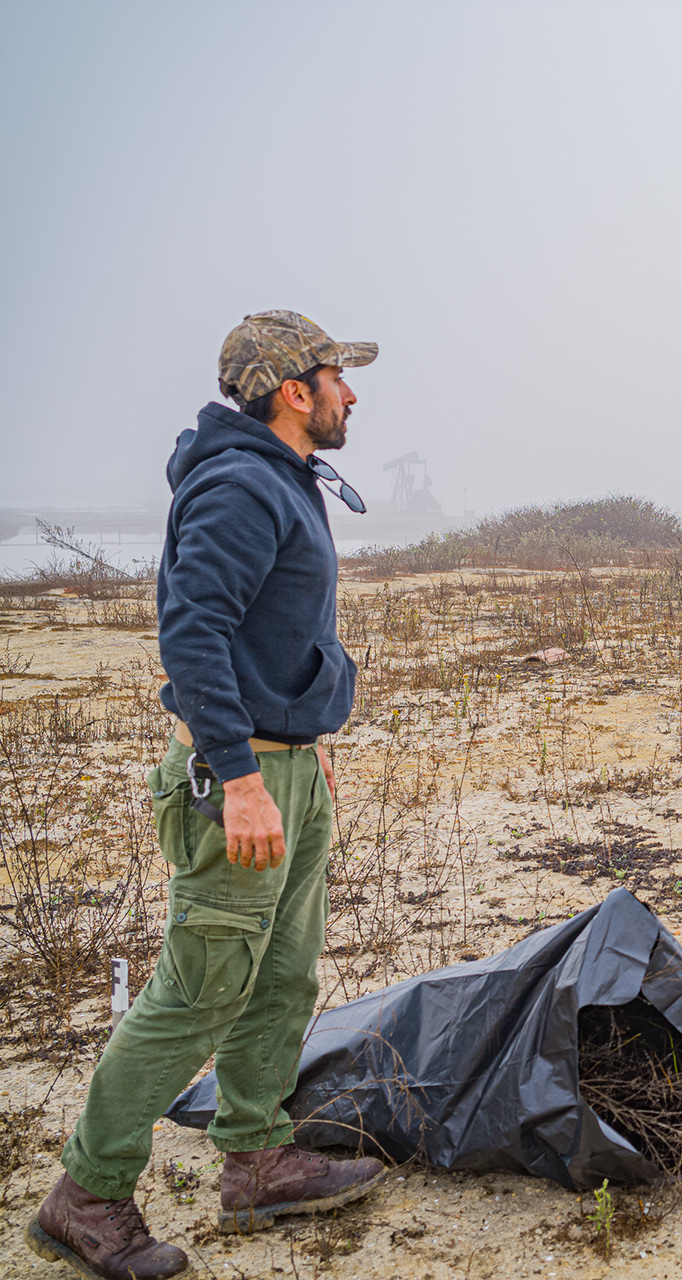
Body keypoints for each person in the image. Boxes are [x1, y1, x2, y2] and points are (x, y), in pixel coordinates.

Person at [29, 312, 387, 1280]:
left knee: (282, 972)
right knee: (197, 990)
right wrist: (237, 773)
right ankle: (85, 1192)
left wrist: (294, 755)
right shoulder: (239, 484)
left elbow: (267, 632)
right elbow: (192, 632)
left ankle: (257, 1156)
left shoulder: (282, 478)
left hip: (288, 769)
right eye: (335, 376)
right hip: (238, 776)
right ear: (291, 390)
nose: (352, 392)